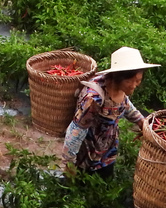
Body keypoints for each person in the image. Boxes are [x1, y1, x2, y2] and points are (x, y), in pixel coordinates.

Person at [63, 46, 159, 180]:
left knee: (105, 185)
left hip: (108, 152)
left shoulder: (120, 90)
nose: (136, 85)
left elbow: (126, 106)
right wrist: (70, 163)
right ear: (120, 77)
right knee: (84, 189)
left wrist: (142, 123)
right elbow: (76, 130)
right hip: (88, 157)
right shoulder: (93, 98)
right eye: (133, 81)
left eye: (139, 81)